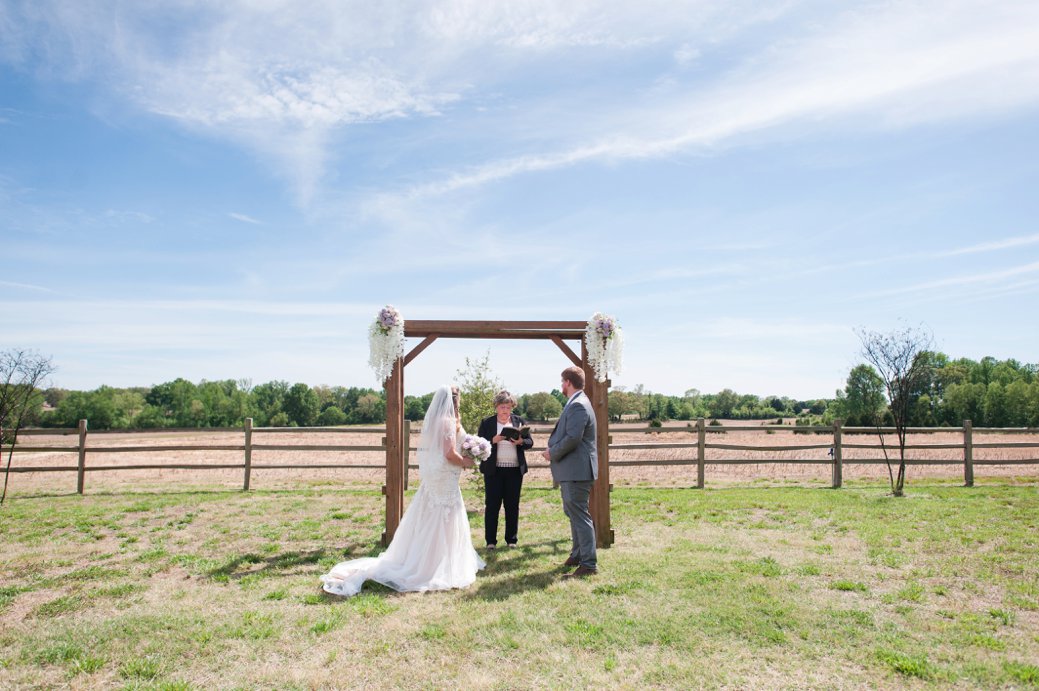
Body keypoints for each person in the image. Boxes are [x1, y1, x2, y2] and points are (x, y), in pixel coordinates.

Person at [321, 385, 485, 596]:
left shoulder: (438, 421)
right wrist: (466, 461)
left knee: (432, 512)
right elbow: (449, 453)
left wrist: (475, 446)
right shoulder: (448, 421)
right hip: (446, 473)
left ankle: (426, 557)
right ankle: (436, 565)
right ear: (456, 401)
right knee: (445, 513)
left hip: (439, 474)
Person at [542, 366, 598, 578]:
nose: (561, 385)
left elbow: (573, 438)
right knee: (574, 513)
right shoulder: (578, 403)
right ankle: (577, 554)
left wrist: (552, 453)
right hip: (573, 470)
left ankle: (589, 564)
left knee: (580, 516)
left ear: (567, 382)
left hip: (577, 471)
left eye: (562, 381)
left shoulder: (578, 406)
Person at [477, 390, 533, 549]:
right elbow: (479, 445)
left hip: (515, 471)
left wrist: (521, 441)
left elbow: (530, 443)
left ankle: (511, 540)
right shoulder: (487, 423)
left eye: (508, 407)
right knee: (492, 506)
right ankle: (490, 542)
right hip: (493, 471)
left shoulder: (519, 421)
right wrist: (492, 440)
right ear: (496, 407)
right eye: (502, 407)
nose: (505, 410)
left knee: (512, 505)